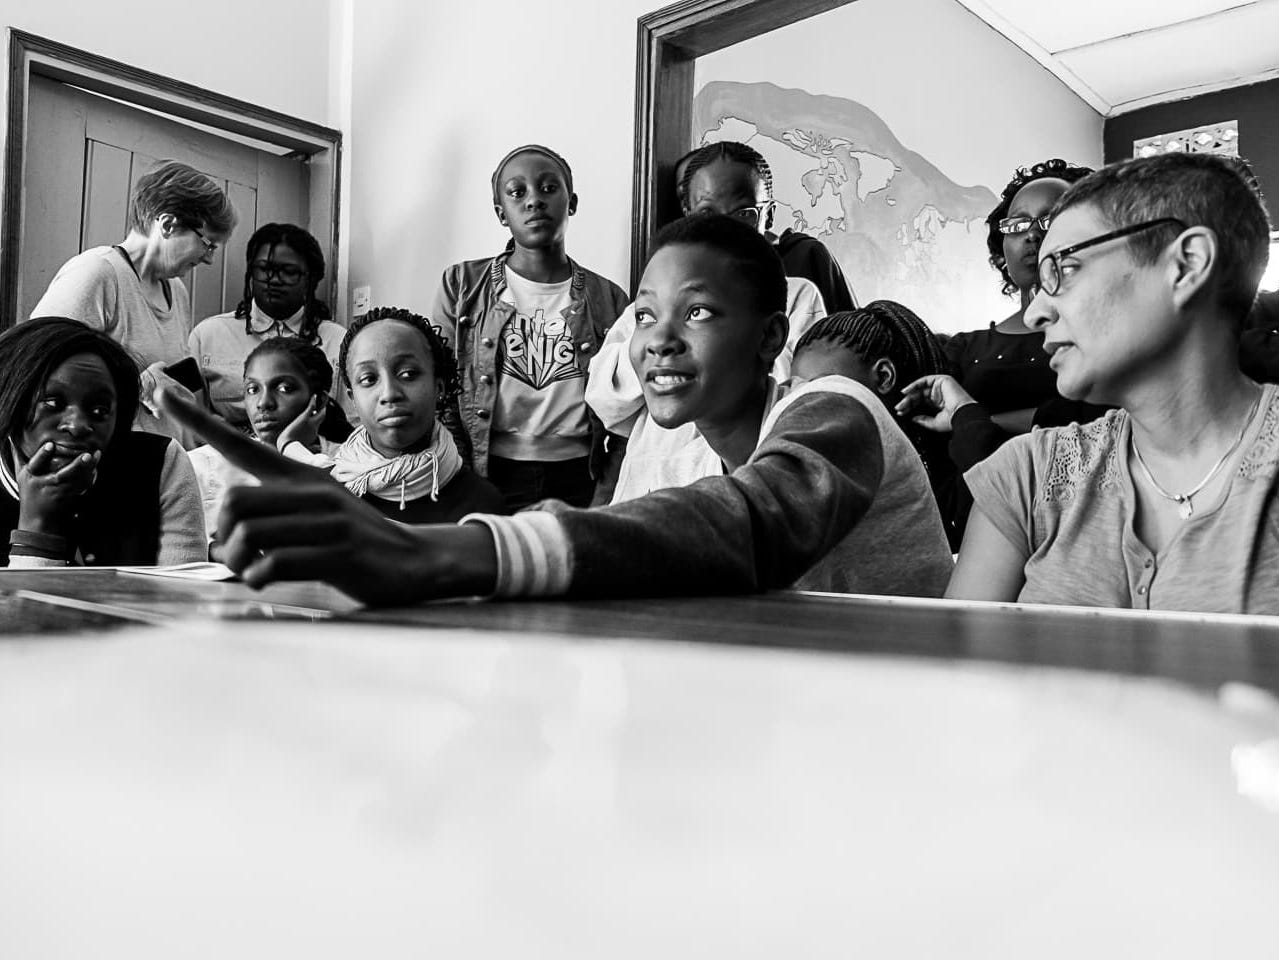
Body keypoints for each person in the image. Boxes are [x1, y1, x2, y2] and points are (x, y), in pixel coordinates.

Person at [154, 216, 952, 604]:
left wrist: (441, 555)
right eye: (643, 315)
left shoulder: (835, 409)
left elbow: (749, 523)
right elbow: (635, 554)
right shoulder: (657, 442)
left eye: (699, 313)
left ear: (772, 336)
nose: (659, 342)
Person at [949, 152, 1279, 614]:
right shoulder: (1026, 476)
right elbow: (957, 675)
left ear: (1185, 266)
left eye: (1062, 269)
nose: (1035, 312)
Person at [431, 144, 629, 511]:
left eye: (549, 188)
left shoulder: (610, 298)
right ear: (501, 213)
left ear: (572, 203)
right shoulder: (461, 285)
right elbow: (440, 392)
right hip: (489, 472)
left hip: (580, 476)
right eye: (517, 192)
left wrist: (609, 486)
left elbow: (626, 410)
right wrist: (463, 479)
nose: (534, 201)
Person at [30, 159, 237, 446]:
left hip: (164, 465)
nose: (209, 258)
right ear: (167, 224)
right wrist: (139, 384)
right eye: (208, 243)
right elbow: (36, 362)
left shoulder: (176, 290)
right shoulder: (97, 273)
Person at [1, 317, 205, 567]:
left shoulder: (158, 464)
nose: (77, 426)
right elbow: (26, 608)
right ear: (12, 401)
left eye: (99, 410)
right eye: (53, 403)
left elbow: (181, 599)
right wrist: (39, 529)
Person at [790, 302, 962, 550]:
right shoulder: (818, 475)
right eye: (801, 392)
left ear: (883, 377)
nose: (810, 404)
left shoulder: (954, 466)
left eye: (825, 387)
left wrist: (964, 415)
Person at [317, 307, 505, 523]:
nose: (389, 394)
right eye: (369, 379)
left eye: (408, 374)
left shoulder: (481, 506)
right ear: (353, 398)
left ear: (439, 387)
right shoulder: (328, 495)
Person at [188, 223, 349, 435]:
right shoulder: (207, 335)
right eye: (264, 269)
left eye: (289, 272)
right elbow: (190, 418)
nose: (274, 280)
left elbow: (353, 423)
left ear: (310, 279)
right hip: (225, 459)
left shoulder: (338, 341)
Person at [187, 337, 337, 540]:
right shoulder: (204, 463)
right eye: (252, 389)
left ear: (318, 401)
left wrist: (289, 446)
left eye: (284, 388)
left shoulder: (345, 466)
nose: (263, 402)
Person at [682, 141, 856, 312]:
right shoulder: (676, 277)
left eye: (743, 214)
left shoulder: (806, 259)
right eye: (707, 214)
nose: (724, 231)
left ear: (770, 215)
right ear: (688, 216)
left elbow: (855, 335)